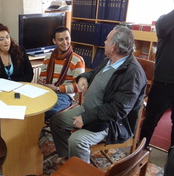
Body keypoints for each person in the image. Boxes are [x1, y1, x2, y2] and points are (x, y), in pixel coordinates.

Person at [50, 25, 147, 163]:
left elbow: (118, 110)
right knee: (57, 121)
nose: (104, 42)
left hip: (111, 123)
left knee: (76, 140)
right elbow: (93, 73)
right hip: (91, 110)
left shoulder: (133, 74)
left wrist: (85, 118)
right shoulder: (110, 60)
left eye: (107, 40)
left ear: (113, 46)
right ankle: (69, 159)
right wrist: (84, 77)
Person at [140, 9, 174, 150]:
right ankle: (140, 150)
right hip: (163, 85)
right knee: (150, 121)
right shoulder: (164, 22)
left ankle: (171, 161)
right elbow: (161, 27)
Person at [39, 26, 85, 119]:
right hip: (47, 91)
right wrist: (43, 83)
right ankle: (32, 129)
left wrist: (57, 89)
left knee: (47, 110)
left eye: (67, 38)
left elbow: (79, 87)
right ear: (54, 41)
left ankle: (34, 128)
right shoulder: (48, 58)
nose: (65, 43)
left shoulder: (77, 60)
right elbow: (42, 77)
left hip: (64, 96)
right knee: (31, 105)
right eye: (60, 40)